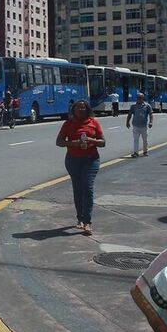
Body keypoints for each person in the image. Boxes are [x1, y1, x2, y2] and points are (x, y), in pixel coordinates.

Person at [55, 100, 106, 235]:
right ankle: (80, 219)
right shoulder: (68, 124)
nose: (80, 109)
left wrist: (92, 140)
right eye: (78, 107)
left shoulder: (94, 123)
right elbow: (59, 142)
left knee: (87, 188)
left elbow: (103, 142)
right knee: (78, 189)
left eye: (83, 107)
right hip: (73, 160)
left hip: (91, 160)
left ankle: (88, 221)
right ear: (73, 110)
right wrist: (74, 143)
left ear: (87, 109)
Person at [125, 92, 153, 157]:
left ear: (143, 98)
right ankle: (135, 152)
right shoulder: (133, 106)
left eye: (140, 98)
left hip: (144, 126)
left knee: (145, 140)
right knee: (136, 140)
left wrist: (151, 122)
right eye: (138, 98)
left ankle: (145, 151)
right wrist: (127, 122)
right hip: (135, 125)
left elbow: (150, 114)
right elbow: (129, 114)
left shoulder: (147, 106)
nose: (139, 99)